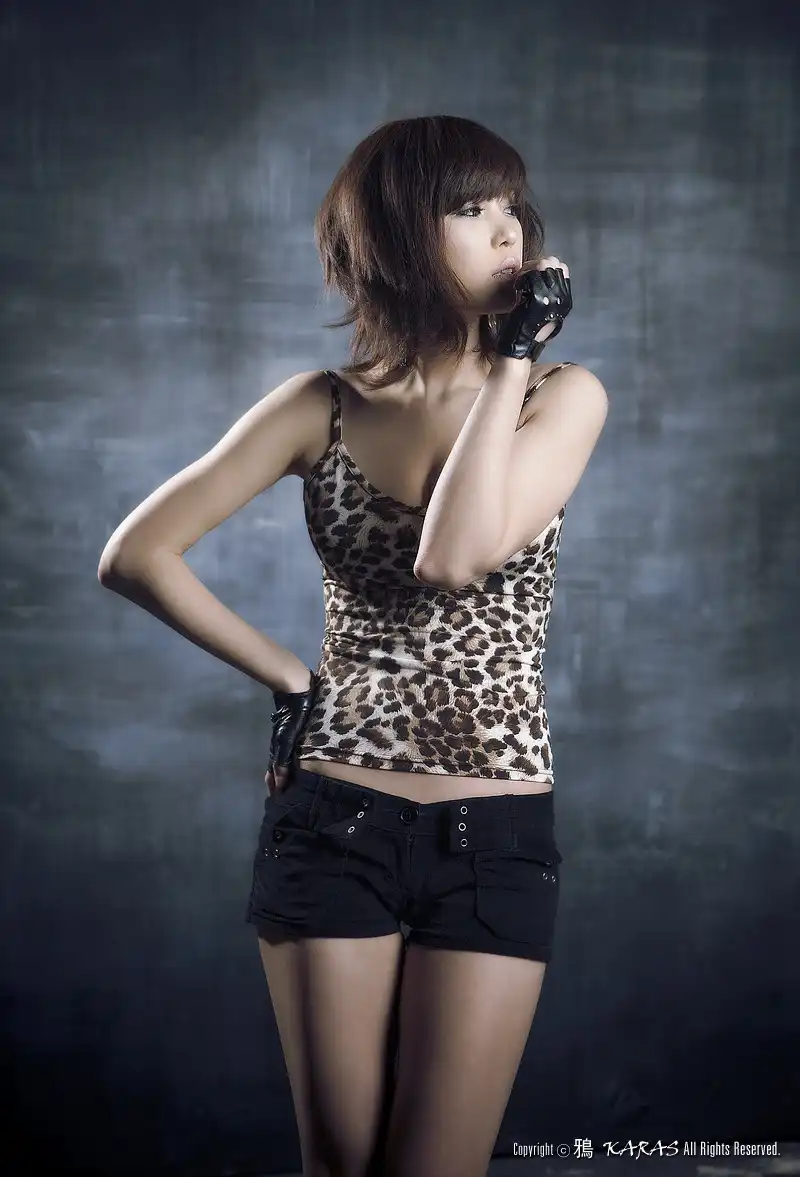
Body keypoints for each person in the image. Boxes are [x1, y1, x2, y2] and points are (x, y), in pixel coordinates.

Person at [98, 114, 608, 1177]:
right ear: (399, 233)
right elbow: (136, 555)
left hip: (494, 832)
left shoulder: (561, 395)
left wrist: (510, 360)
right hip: (334, 817)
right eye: (468, 208)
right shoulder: (321, 406)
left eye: (510, 207)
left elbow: (454, 556)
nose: (506, 231)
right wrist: (291, 677)